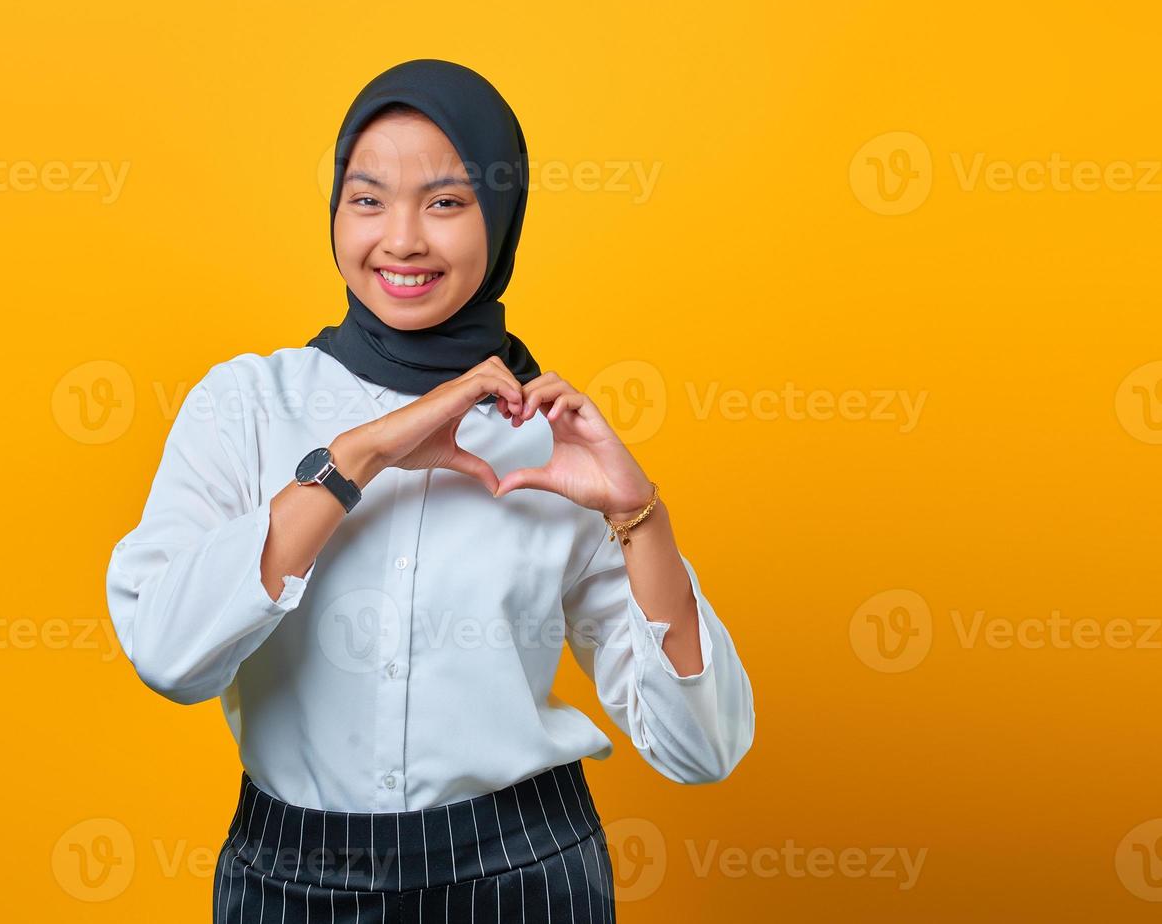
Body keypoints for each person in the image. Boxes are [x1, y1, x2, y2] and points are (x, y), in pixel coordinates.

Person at [106, 57, 755, 923]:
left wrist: (641, 519)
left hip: (523, 877)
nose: (402, 239)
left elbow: (700, 750)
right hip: (289, 882)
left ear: (501, 219)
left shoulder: (554, 441)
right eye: (367, 199)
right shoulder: (247, 403)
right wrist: (354, 460)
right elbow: (166, 654)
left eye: (445, 203)